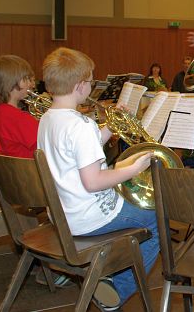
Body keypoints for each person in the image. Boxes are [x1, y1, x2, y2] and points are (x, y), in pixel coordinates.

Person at [38, 47, 159, 311]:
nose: (92, 87)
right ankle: (117, 291)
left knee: (134, 201)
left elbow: (78, 153)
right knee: (157, 219)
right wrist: (134, 169)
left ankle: (110, 272)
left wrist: (109, 128)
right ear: (80, 86)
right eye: (91, 81)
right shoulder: (80, 125)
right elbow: (93, 182)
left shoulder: (48, 119)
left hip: (64, 213)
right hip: (90, 216)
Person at [0, 55, 38, 158]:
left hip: (16, 167)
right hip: (32, 166)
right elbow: (47, 144)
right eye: (27, 79)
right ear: (17, 82)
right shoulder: (18, 118)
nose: (31, 84)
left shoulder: (0, 111)